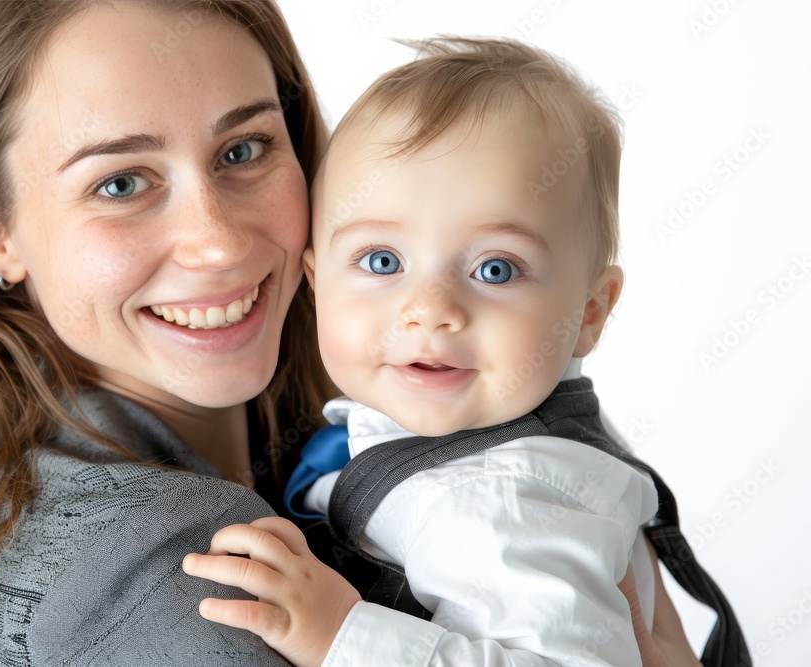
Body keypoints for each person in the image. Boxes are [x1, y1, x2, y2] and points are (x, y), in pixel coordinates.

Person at [0, 2, 696, 665]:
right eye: (121, 182)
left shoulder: (1, 487)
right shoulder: (205, 574)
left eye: (243, 151)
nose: (220, 241)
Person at [182, 38, 729, 666]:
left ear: (588, 313)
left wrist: (342, 636)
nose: (431, 308)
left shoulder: (503, 498)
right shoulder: (455, 433)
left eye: (496, 269)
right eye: (382, 261)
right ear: (317, 283)